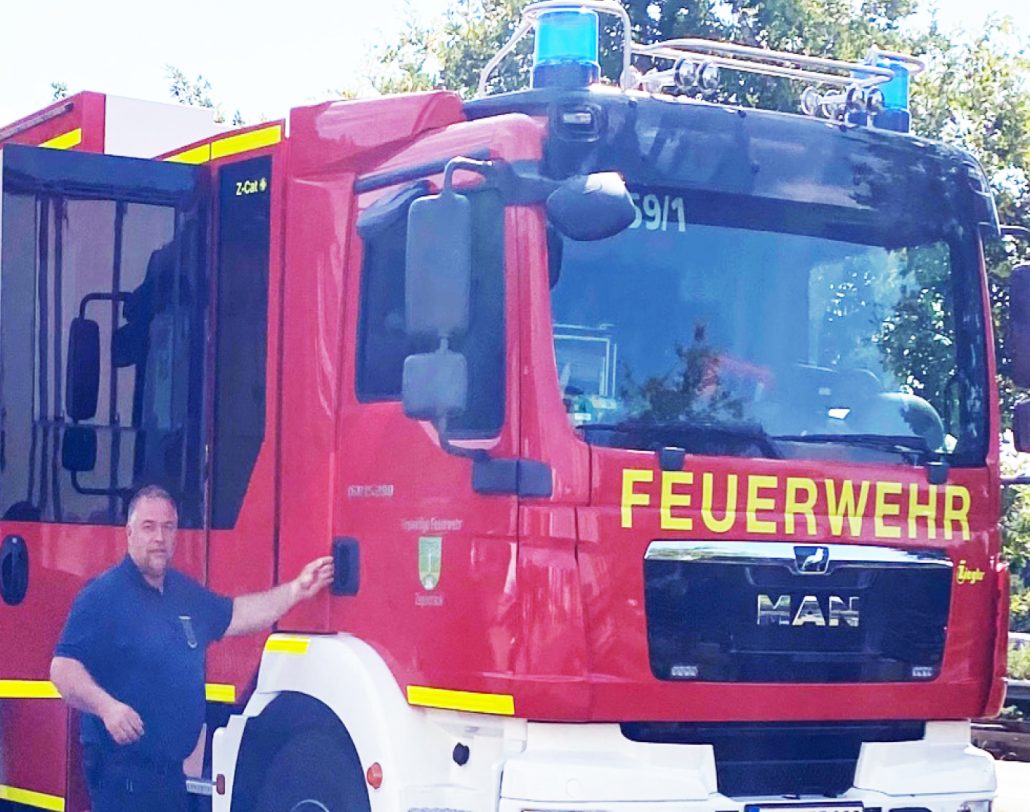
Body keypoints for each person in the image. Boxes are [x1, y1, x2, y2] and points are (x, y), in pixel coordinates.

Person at [49, 484, 334, 812]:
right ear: (129, 533)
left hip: (169, 775)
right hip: (122, 775)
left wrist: (296, 590)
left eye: (168, 527)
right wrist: (107, 707)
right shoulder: (102, 596)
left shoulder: (183, 594)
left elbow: (238, 614)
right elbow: (63, 668)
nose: (159, 537)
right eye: (149, 527)